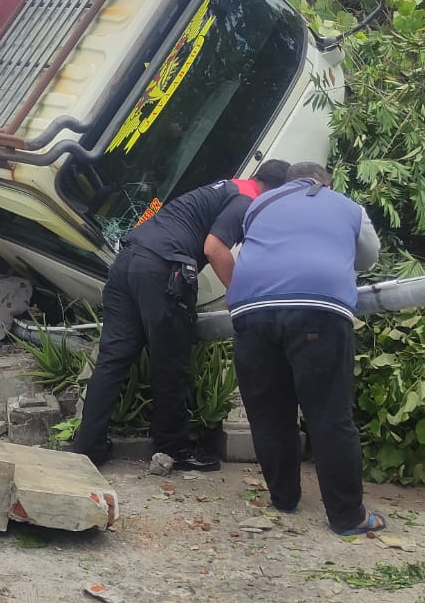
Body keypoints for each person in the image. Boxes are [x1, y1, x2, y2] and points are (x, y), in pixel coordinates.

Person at [71, 160, 292, 470]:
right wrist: (242, 295)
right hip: (163, 269)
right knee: (170, 363)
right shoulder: (246, 201)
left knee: (112, 359)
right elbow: (215, 248)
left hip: (127, 262)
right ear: (273, 190)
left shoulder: (226, 187)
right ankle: (173, 449)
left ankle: (88, 446)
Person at [225, 161, 384, 536]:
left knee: (269, 413)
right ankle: (348, 516)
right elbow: (368, 258)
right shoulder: (345, 206)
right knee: (329, 415)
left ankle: (284, 498)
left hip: (250, 313)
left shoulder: (258, 207)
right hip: (317, 310)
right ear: (323, 183)